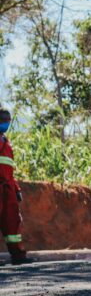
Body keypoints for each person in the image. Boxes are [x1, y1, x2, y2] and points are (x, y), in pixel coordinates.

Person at [0, 108, 33, 265]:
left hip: (8, 189)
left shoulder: (7, 144)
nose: (5, 123)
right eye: (3, 120)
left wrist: (17, 189)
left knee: (13, 222)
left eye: (8, 120)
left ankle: (18, 256)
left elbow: (10, 172)